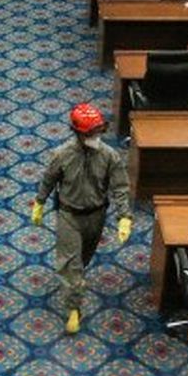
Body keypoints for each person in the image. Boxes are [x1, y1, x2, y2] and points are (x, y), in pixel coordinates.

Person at [31, 103, 133, 335]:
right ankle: (74, 308)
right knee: (71, 266)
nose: (95, 136)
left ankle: (75, 283)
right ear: (77, 133)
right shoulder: (62, 155)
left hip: (96, 216)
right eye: (90, 132)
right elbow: (48, 179)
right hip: (69, 215)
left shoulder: (110, 156)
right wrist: (39, 202)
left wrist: (124, 216)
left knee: (83, 259)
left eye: (98, 131)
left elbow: (120, 187)